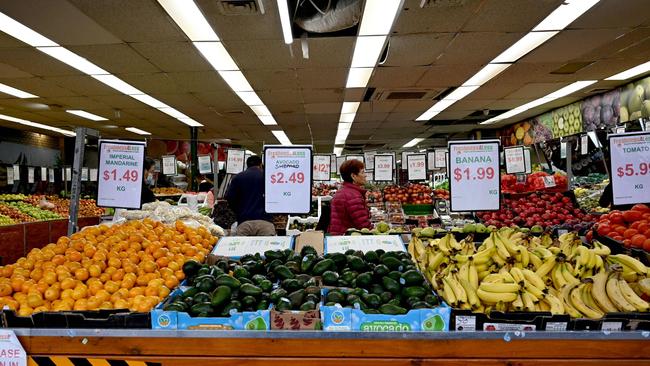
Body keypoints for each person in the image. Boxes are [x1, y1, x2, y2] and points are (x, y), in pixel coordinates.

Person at [225, 155, 275, 236]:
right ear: (260, 165)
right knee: (266, 248)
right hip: (265, 222)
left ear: (247, 165)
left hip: (244, 222)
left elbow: (230, 198)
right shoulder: (268, 177)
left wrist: (239, 211)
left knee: (243, 248)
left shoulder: (237, 178)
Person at [328, 159, 372, 235]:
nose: (365, 175)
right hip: (349, 239)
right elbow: (364, 226)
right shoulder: (353, 196)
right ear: (353, 176)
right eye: (362, 172)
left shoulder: (343, 191)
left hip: (338, 236)